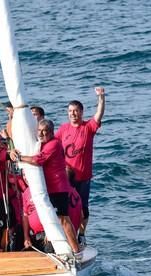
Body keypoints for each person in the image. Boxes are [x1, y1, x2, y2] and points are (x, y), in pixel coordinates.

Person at [12, 119, 80, 253]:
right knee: (63, 219)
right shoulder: (42, 144)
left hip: (58, 189)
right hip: (53, 188)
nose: (42, 134)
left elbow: (38, 160)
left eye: (45, 131)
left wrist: (19, 158)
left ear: (51, 132)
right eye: (39, 131)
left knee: (63, 219)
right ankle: (73, 247)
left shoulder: (53, 144)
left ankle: (75, 250)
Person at [55, 87, 105, 238]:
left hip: (83, 177)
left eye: (75, 110)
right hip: (66, 177)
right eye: (70, 111)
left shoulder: (88, 127)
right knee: (66, 207)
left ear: (82, 112)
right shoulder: (63, 129)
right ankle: (67, 234)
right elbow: (52, 145)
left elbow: (99, 115)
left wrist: (101, 98)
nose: (73, 114)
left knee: (83, 207)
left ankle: (81, 234)